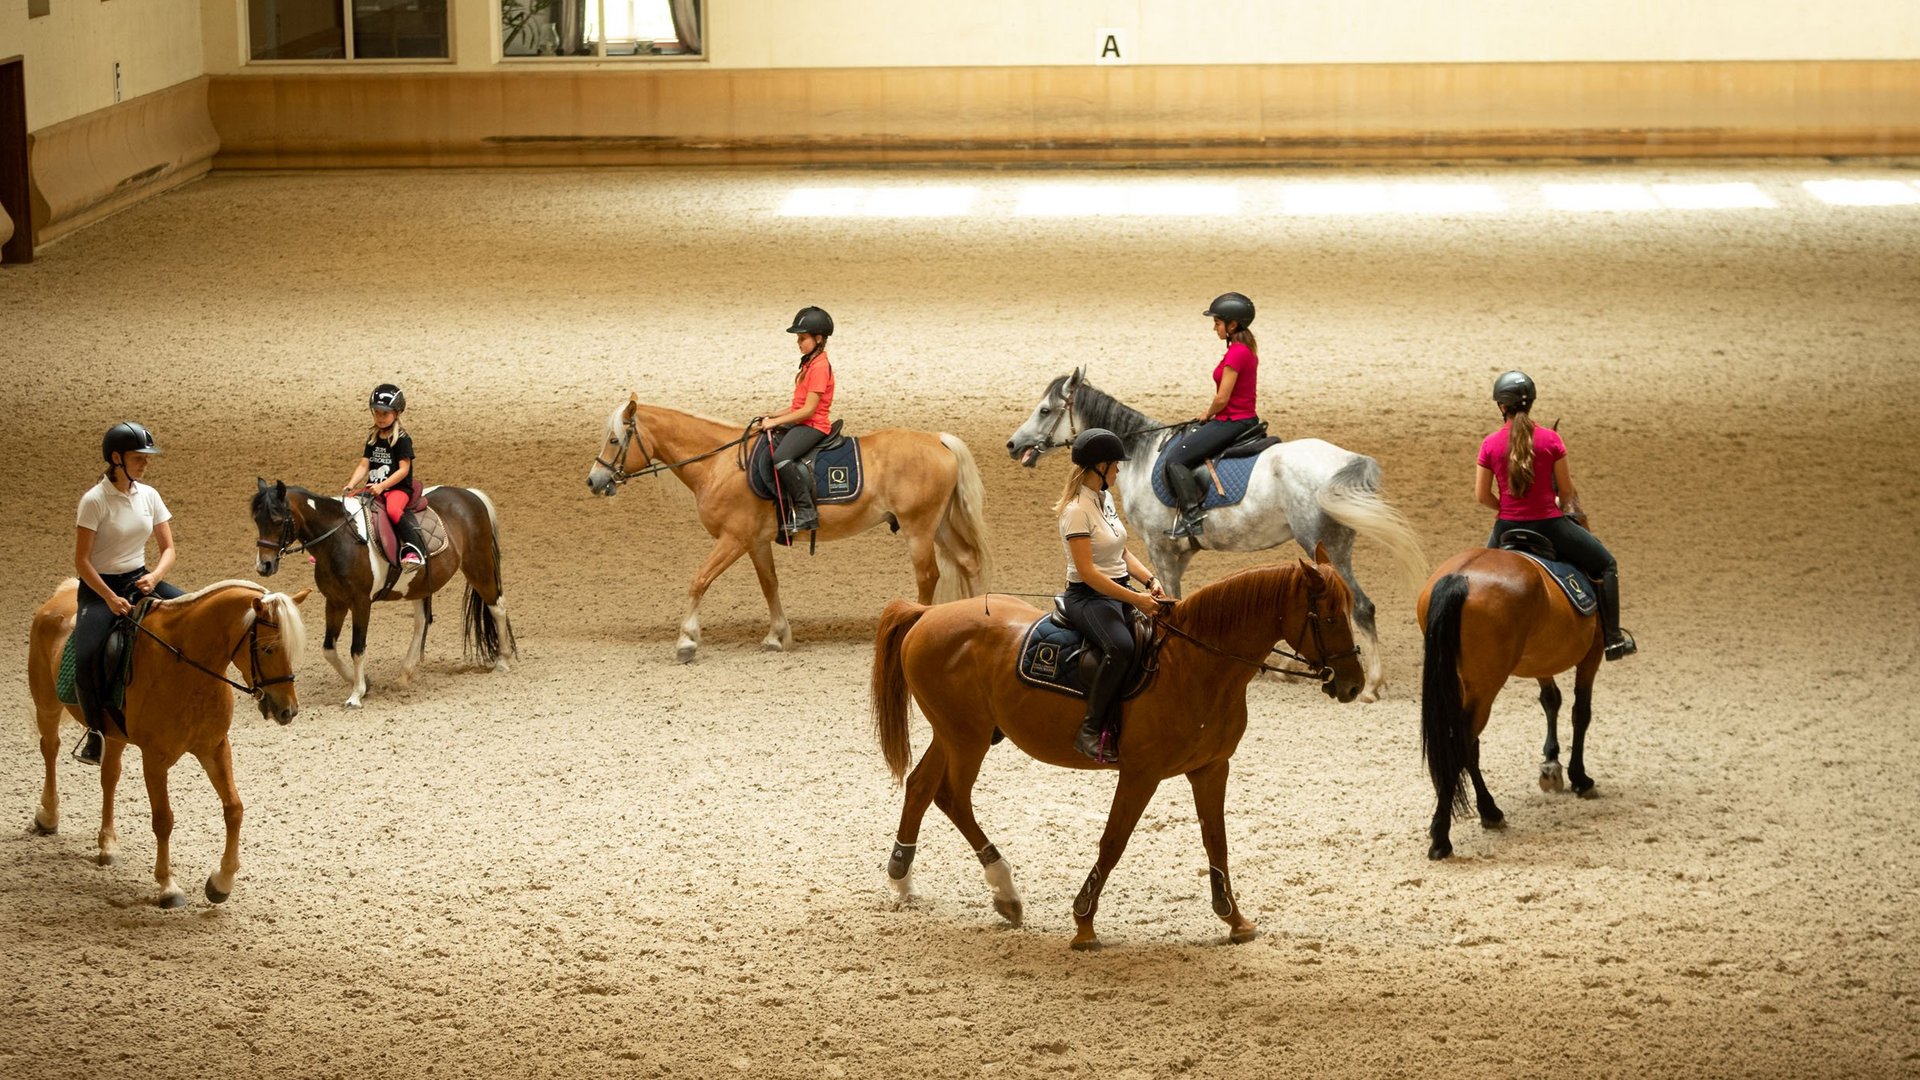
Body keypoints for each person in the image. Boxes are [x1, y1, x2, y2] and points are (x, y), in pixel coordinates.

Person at [1477, 370, 1637, 660]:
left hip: (1506, 527)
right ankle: (1613, 639)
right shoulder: (1551, 440)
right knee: (1607, 565)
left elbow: (1481, 495)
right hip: (1550, 525)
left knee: (1476, 580)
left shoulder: (1490, 443)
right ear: (1531, 403)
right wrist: (1552, 506)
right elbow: (1566, 492)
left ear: (1501, 406)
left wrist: (1507, 510)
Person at [71, 422, 185, 765]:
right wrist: (108, 597)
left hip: (140, 580)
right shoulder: (94, 501)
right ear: (116, 458)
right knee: (87, 653)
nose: (145, 464)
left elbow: (168, 549)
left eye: (146, 458)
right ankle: (95, 733)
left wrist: (155, 577)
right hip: (100, 588)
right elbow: (81, 561)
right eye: (138, 458)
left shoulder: (149, 495)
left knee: (192, 616)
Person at [1056, 428, 1167, 762]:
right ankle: (1090, 729)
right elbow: (1088, 572)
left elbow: (1120, 551)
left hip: (1119, 591)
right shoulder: (1076, 510)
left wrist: (1150, 580)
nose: (1119, 470)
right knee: (1121, 647)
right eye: (1115, 465)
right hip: (1088, 597)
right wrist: (1136, 600)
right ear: (1099, 467)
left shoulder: (1103, 500)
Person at [1163, 292, 1263, 539]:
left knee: (1175, 459)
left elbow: (1222, 398)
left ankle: (1192, 517)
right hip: (1238, 419)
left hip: (1233, 421)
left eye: (1217, 323)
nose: (1214, 328)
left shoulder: (1237, 352)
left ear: (1232, 325)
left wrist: (1207, 413)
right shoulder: (1244, 349)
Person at [754, 306, 836, 535]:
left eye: (803, 338)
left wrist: (775, 423)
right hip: (803, 420)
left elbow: (808, 411)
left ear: (818, 339)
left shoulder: (819, 367)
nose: (798, 343)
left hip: (813, 425)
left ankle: (806, 510)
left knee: (781, 457)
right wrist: (774, 415)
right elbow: (797, 406)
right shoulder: (810, 363)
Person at [344, 383, 424, 566]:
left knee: (394, 511)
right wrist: (351, 484)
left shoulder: (402, 439)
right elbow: (364, 464)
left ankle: (414, 548)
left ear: (397, 413)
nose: (380, 418)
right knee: (350, 503)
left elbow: (404, 470)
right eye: (377, 412)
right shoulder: (373, 437)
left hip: (397, 489)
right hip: (374, 487)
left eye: (385, 413)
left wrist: (382, 486)